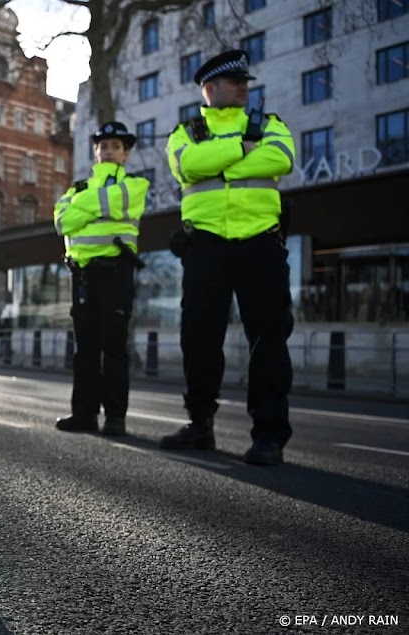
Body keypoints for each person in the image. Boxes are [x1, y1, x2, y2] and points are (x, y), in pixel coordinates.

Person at [160, 50, 296, 465]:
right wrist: (242, 148)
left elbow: (282, 159)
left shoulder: (271, 125)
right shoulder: (185, 132)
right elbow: (187, 166)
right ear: (208, 88)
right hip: (205, 246)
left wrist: (218, 167)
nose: (243, 87)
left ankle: (269, 436)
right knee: (199, 340)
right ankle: (200, 426)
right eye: (234, 81)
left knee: (269, 339)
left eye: (245, 82)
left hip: (260, 242)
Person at [52, 122, 149, 437]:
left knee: (114, 346)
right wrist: (99, 209)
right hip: (82, 275)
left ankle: (115, 417)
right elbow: (62, 221)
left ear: (126, 153)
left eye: (115, 146)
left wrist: (85, 211)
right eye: (103, 146)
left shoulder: (135, 184)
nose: (108, 151)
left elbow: (96, 208)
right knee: (85, 347)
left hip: (116, 272)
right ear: (95, 152)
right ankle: (84, 414)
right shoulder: (77, 188)